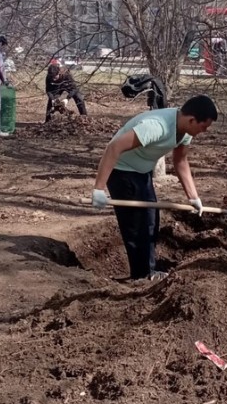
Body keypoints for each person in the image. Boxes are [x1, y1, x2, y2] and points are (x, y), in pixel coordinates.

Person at [92, 94, 218, 283]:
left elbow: (180, 161)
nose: (205, 131)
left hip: (142, 173)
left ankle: (147, 271)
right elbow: (114, 147)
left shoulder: (185, 131)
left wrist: (193, 197)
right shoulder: (156, 126)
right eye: (204, 126)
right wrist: (99, 189)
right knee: (136, 225)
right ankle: (142, 276)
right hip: (121, 171)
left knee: (150, 220)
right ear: (192, 119)